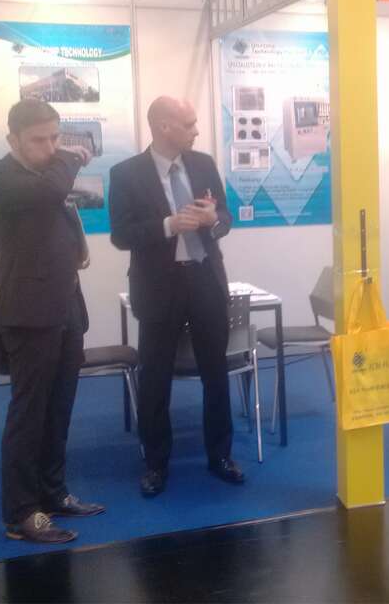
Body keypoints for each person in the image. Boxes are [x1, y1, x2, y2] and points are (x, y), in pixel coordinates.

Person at [0, 99, 104, 544]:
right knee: (29, 414)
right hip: (28, 312)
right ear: (12, 139)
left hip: (65, 305)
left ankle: (52, 493)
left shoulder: (46, 174)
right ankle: (20, 513)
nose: (50, 148)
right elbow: (48, 194)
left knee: (59, 407)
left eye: (55, 138)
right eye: (39, 140)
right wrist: (70, 157)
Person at [109, 96, 244, 496]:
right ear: (164, 126)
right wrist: (169, 225)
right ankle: (155, 464)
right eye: (189, 124)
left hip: (205, 280)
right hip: (158, 286)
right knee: (155, 379)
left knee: (216, 374)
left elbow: (225, 219)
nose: (196, 131)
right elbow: (121, 235)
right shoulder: (126, 173)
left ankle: (220, 456)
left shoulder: (203, 164)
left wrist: (213, 220)